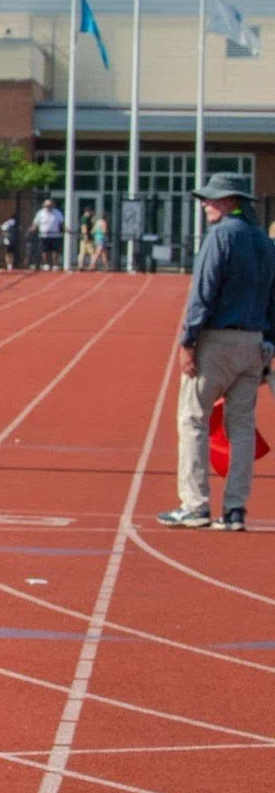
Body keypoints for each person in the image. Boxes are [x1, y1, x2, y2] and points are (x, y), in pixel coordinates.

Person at [157, 171, 275, 532]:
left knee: (192, 418)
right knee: (241, 426)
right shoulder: (264, 241)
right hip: (254, 342)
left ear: (228, 201)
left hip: (217, 341)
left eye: (210, 198)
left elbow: (203, 292)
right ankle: (235, 508)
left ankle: (195, 505)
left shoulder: (221, 236)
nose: (204, 204)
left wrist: (187, 341)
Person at [31, 197, 63, 269]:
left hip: (55, 235)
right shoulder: (40, 213)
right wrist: (32, 229)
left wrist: (67, 229)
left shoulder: (57, 213)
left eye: (50, 205)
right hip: (44, 235)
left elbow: (62, 223)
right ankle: (46, 264)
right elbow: (35, 224)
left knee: (55, 251)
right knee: (44, 251)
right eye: (47, 206)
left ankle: (55, 265)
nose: (48, 207)